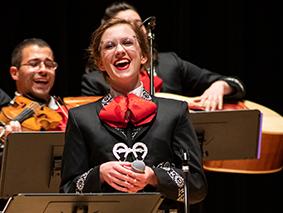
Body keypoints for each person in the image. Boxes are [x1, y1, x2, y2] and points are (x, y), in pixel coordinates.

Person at [60, 19, 207, 213]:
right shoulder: (81, 118)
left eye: (128, 42)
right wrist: (100, 174)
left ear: (144, 55)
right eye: (110, 46)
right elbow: (66, 192)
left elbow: (197, 188)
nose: (119, 50)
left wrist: (154, 176)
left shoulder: (175, 112)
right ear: (100, 63)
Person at [81, 1, 245, 111]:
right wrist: (176, 103)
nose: (135, 31)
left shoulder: (170, 63)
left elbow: (235, 84)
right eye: (125, 26)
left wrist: (220, 86)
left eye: (139, 25)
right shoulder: (95, 80)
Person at [0, 38, 68, 141]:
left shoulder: (67, 112)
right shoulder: (5, 116)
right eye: (33, 64)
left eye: (49, 65)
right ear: (15, 73)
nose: (43, 70)